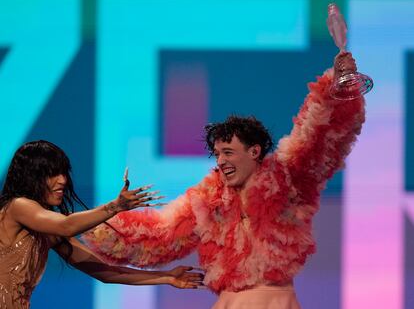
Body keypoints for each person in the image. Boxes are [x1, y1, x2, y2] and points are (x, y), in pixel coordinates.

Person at [83, 52, 365, 308]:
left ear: (254, 151)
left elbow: (315, 138)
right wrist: (97, 221)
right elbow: (161, 235)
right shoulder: (208, 198)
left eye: (228, 152)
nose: (220, 161)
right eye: (217, 154)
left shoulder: (289, 179)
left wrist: (337, 87)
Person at [0, 140, 203, 309]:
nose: (62, 180)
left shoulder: (48, 231)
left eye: (63, 173)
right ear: (32, 176)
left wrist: (167, 277)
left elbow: (106, 272)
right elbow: (67, 225)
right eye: (53, 174)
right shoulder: (18, 206)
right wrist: (114, 207)